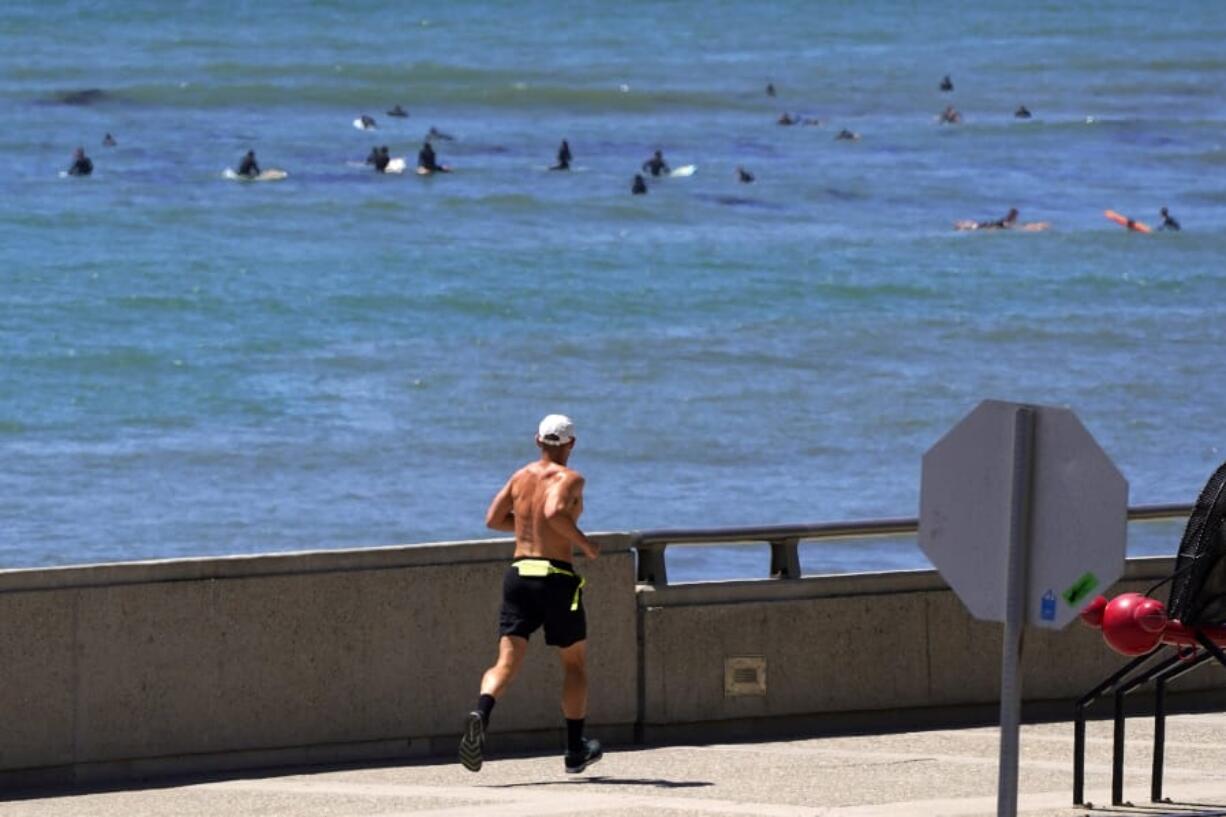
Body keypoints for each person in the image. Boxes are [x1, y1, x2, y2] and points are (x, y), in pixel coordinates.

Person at [459, 415, 603, 776]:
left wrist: (526, 527)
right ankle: (574, 749)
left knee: (506, 661)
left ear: (536, 440)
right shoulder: (570, 478)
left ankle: (482, 711)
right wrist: (586, 546)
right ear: (571, 444)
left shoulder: (520, 476)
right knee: (574, 663)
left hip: (519, 574)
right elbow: (554, 511)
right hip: (555, 577)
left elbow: (493, 519)